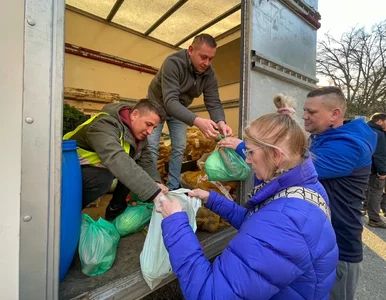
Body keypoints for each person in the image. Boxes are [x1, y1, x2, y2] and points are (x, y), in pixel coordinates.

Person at [157, 111, 339, 299]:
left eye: (250, 152)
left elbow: (209, 294)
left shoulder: (287, 223)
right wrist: (212, 199)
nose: (247, 159)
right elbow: (257, 223)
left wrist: (175, 223)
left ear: (276, 156)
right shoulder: (304, 187)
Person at [302, 86, 377, 300]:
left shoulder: (347, 147)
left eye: (312, 112)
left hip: (339, 250)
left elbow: (296, 169)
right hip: (320, 244)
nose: (304, 116)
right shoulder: (325, 137)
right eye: (305, 110)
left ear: (335, 114)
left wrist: (244, 149)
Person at [147, 33, 232, 190]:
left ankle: (173, 187)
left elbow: (213, 101)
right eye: (203, 57)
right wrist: (198, 121)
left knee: (179, 147)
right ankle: (152, 188)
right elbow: (170, 101)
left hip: (179, 108)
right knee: (151, 146)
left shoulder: (209, 74)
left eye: (211, 59)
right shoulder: (173, 63)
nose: (207, 63)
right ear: (191, 50)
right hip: (157, 105)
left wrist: (221, 122)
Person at [63, 99, 169, 221]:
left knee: (132, 169)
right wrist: (156, 195)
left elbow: (146, 160)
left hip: (92, 168)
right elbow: (116, 159)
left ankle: (115, 213)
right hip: (66, 170)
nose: (150, 132)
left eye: (154, 128)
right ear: (135, 115)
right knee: (104, 177)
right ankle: (67, 214)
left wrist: (157, 182)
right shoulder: (103, 125)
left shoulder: (138, 136)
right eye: (148, 124)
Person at [365, 113, 386, 228]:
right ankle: (374, 219)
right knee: (376, 191)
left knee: (368, 190)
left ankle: (365, 209)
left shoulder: (366, 130)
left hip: (364, 167)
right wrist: (382, 171)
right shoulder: (379, 134)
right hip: (375, 169)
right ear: (380, 121)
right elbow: (380, 155)